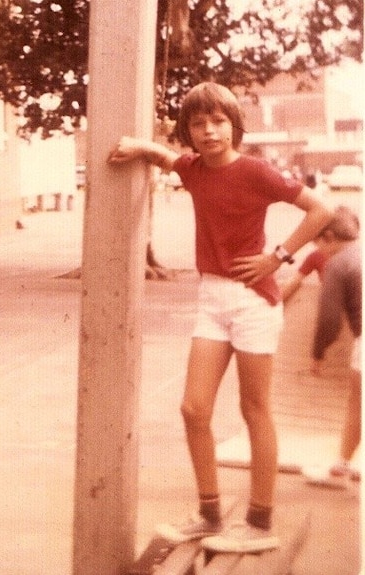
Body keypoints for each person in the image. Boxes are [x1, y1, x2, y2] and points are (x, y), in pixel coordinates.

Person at [108, 82, 332, 553]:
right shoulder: (193, 169)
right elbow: (168, 159)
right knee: (193, 408)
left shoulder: (255, 171)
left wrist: (277, 256)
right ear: (188, 131)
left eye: (218, 122)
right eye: (198, 123)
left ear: (234, 126)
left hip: (253, 301)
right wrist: (139, 146)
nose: (209, 131)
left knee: (255, 411)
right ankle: (209, 513)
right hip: (212, 299)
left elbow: (320, 209)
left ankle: (258, 522)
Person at [301, 206, 361, 488]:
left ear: (328, 236)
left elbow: (329, 319)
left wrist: (318, 353)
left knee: (357, 402)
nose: (318, 250)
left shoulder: (338, 263)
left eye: (316, 242)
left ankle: (340, 469)